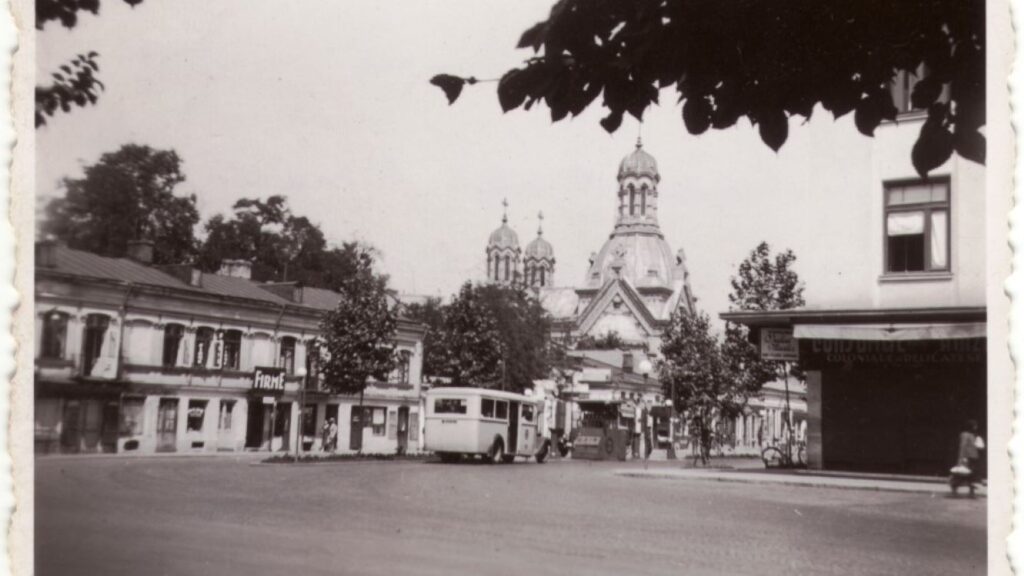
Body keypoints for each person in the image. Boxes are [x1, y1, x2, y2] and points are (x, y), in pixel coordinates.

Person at [956, 419, 983, 497]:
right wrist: (962, 457)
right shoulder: (965, 434)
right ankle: (955, 488)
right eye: (975, 425)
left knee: (972, 475)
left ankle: (971, 492)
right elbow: (963, 446)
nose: (976, 427)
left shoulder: (972, 435)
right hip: (967, 457)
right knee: (962, 474)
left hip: (973, 457)